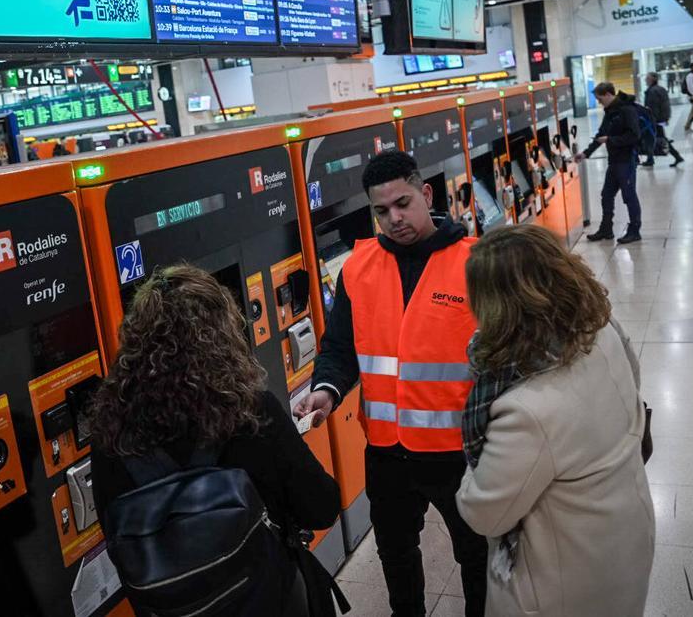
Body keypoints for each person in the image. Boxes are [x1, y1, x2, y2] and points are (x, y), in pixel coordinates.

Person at [292, 150, 487, 617]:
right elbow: (340, 348)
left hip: (458, 451)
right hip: (385, 452)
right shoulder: (357, 269)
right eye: (381, 211)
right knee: (396, 558)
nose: (393, 219)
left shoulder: (476, 263)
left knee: (477, 556)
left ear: (426, 194)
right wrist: (326, 389)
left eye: (402, 204)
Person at [90, 265, 341, 616]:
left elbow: (121, 546)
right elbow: (323, 507)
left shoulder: (109, 438)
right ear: (222, 333)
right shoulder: (252, 412)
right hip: (269, 600)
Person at [456, 225, 655, 616]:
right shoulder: (599, 333)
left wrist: (467, 474)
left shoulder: (527, 409)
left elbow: (484, 512)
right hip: (623, 539)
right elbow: (635, 383)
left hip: (562, 585)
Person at [577, 83, 642, 244]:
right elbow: (601, 134)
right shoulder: (610, 112)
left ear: (607, 94)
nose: (599, 102)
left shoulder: (626, 110)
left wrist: (611, 140)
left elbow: (634, 135)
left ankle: (635, 230)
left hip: (626, 161)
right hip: (614, 161)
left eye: (600, 99)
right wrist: (586, 153)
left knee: (629, 196)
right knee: (606, 195)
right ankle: (606, 229)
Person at [641, 72, 684, 168]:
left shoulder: (652, 91)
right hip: (661, 118)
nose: (645, 80)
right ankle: (650, 159)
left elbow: (653, 107)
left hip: (655, 120)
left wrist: (651, 120)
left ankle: (677, 156)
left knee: (658, 138)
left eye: (647, 78)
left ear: (652, 79)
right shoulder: (660, 89)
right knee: (653, 138)